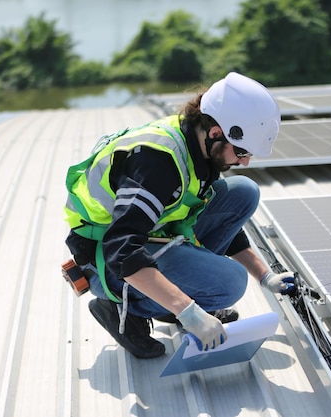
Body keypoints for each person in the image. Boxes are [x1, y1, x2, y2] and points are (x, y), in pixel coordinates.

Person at [64, 72, 295, 359]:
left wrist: (266, 276)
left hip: (149, 236)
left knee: (243, 191)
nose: (245, 160)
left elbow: (205, 214)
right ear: (215, 133)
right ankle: (125, 309)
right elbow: (121, 250)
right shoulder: (157, 164)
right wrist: (188, 311)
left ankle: (176, 295)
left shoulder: (197, 145)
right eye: (242, 150)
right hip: (106, 263)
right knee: (230, 283)